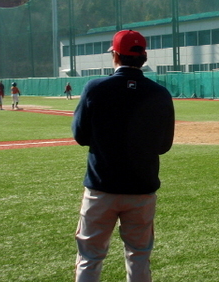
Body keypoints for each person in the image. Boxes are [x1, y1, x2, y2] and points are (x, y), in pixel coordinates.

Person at [72, 30, 175, 282]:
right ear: (144, 56)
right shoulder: (160, 93)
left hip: (101, 187)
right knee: (139, 255)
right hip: (141, 189)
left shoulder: (95, 88)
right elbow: (164, 145)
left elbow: (80, 135)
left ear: (115, 55)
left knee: (90, 257)